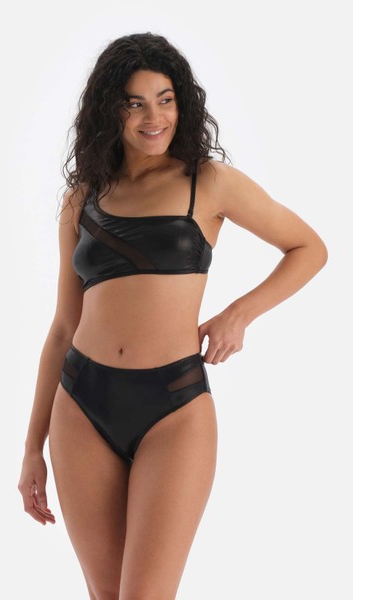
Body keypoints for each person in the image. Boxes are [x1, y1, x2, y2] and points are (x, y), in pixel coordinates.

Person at [18, 32, 328, 599]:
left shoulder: (209, 182)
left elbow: (309, 248)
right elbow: (63, 327)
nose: (153, 117)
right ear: (110, 110)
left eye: (165, 100)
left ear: (181, 103)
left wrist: (240, 313)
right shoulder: (83, 196)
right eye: (134, 103)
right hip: (81, 403)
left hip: (174, 408)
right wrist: (31, 449)